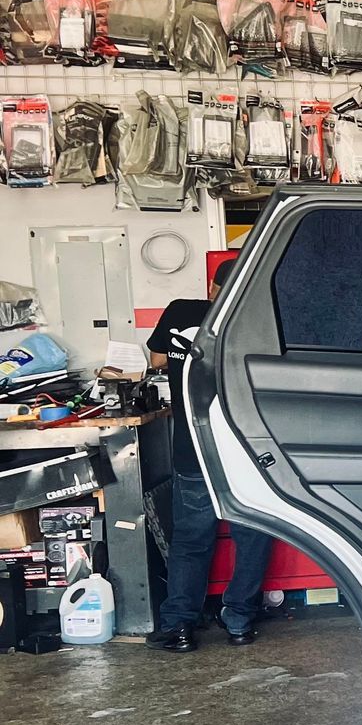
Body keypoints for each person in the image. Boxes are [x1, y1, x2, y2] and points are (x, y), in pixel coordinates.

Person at [145, 259, 273, 651]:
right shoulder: (260, 320)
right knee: (252, 537)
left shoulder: (181, 311)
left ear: (213, 288)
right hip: (244, 452)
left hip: (194, 450)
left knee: (191, 540)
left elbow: (156, 360)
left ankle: (180, 627)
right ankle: (239, 621)